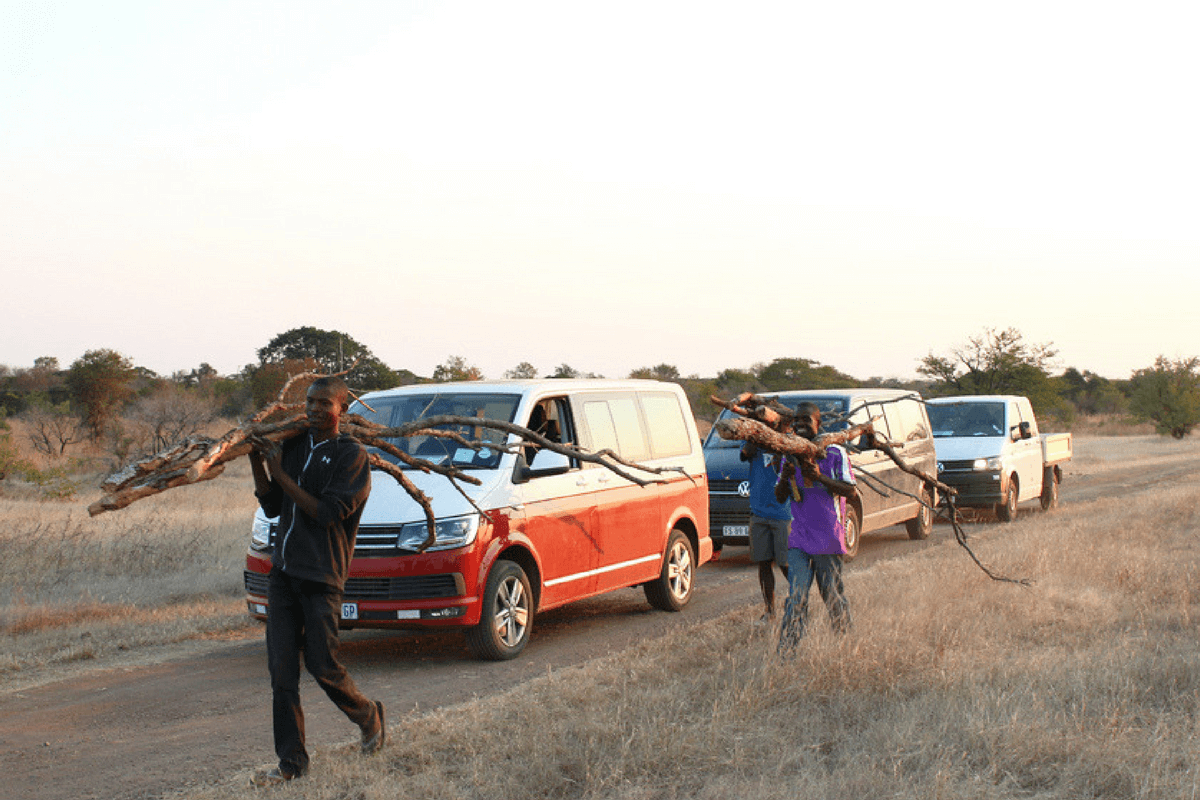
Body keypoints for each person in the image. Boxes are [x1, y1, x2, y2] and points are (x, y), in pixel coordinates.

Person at [247, 376, 385, 787]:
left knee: (324, 667)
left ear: (342, 409)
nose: (314, 408)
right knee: (282, 673)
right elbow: (273, 505)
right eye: (310, 401)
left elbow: (326, 513)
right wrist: (257, 460)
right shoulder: (293, 445)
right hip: (283, 575)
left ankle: (368, 716)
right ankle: (291, 765)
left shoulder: (352, 456)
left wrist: (279, 472)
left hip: (322, 577)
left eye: (324, 403)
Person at [775, 402, 858, 651]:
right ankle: (787, 651)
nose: (800, 425)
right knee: (797, 596)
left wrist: (819, 476)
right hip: (800, 538)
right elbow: (780, 497)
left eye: (806, 420)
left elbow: (851, 491)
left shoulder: (834, 453)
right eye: (796, 420)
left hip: (828, 537)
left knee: (831, 594)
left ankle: (846, 645)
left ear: (818, 424)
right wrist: (786, 476)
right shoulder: (789, 453)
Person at [740, 428, 791, 620]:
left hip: (782, 511)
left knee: (785, 563)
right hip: (758, 511)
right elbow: (745, 453)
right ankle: (770, 610)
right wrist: (755, 434)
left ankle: (800, 601)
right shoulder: (752, 442)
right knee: (763, 563)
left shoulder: (783, 441)